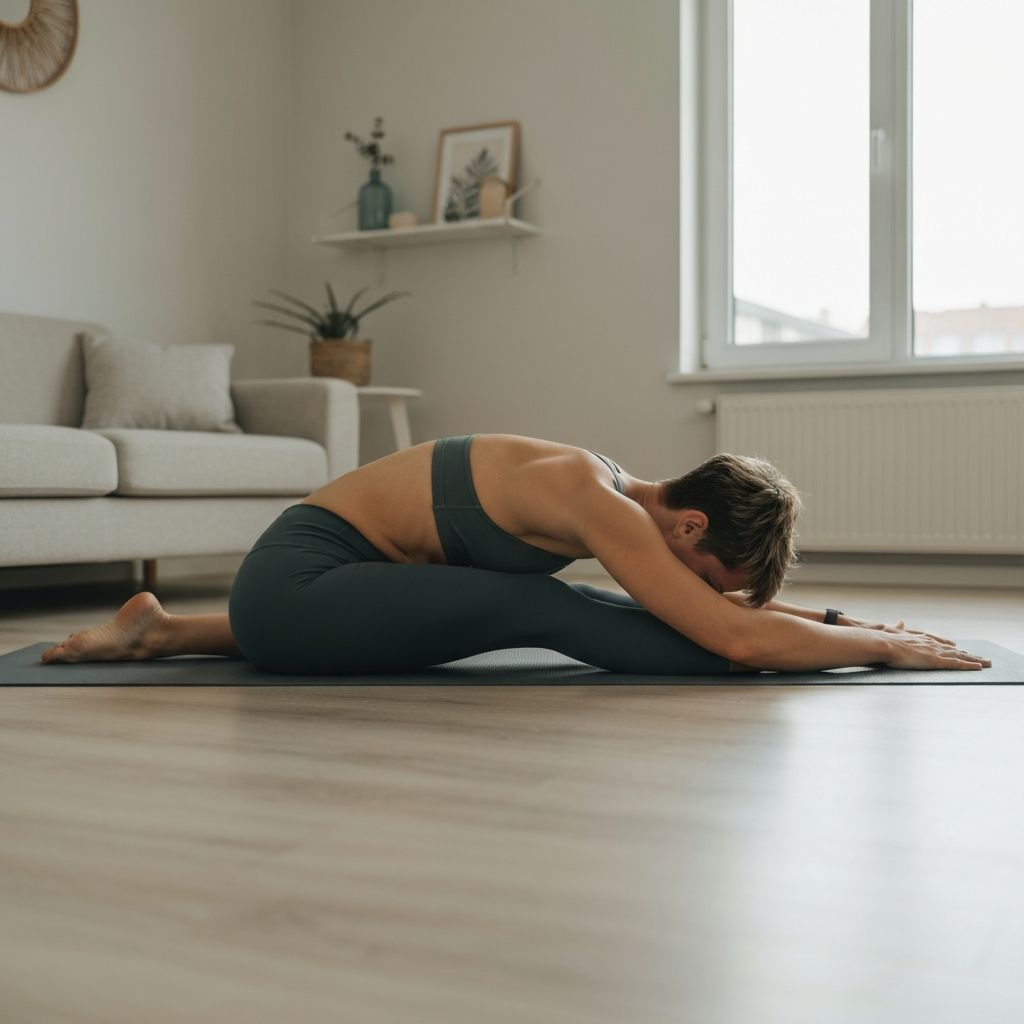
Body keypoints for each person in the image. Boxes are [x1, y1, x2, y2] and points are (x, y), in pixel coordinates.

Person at [39, 433, 991, 675]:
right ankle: (181, 633)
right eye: (710, 576)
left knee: (537, 603)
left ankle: (158, 633)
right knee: (542, 612)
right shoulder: (597, 501)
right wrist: (878, 648)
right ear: (691, 526)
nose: (698, 591)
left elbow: (703, 618)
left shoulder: (603, 484)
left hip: (302, 590)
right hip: (294, 589)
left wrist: (834, 621)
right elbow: (726, 642)